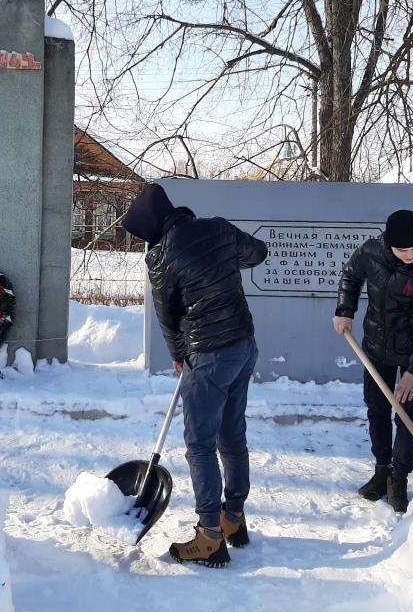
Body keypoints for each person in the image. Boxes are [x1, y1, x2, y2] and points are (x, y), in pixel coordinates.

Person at [121, 182, 268, 567]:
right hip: (244, 345)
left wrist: (177, 355)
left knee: (200, 444)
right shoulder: (217, 228)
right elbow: (258, 253)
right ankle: (233, 519)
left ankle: (209, 537)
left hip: (209, 354)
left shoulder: (160, 258)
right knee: (232, 436)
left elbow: (167, 317)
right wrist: (222, 262)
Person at [332, 209, 413, 513]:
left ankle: (399, 478)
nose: (410, 255)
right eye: (402, 250)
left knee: (407, 414)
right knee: (377, 409)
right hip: (375, 347)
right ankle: (382, 471)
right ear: (388, 244)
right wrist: (344, 309)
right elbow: (350, 274)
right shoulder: (371, 252)